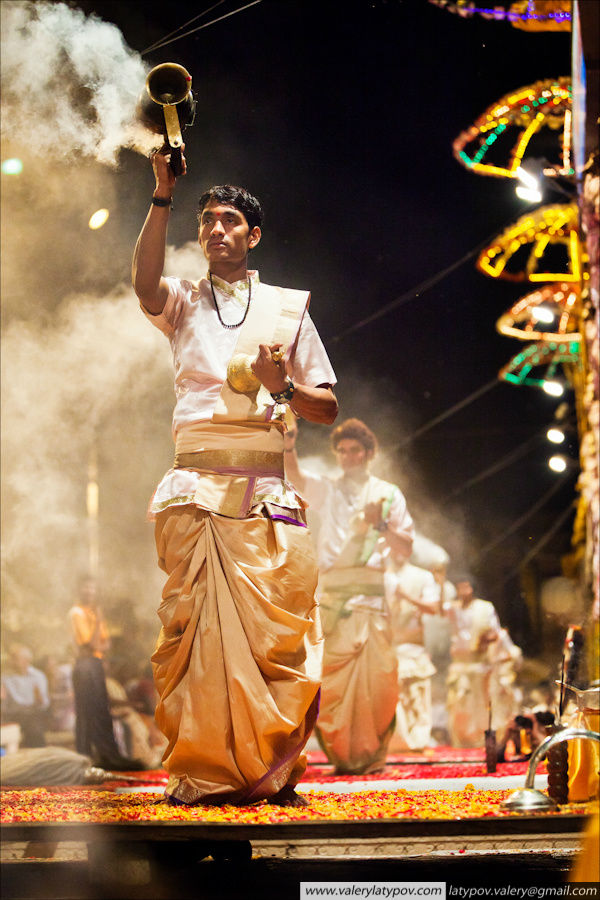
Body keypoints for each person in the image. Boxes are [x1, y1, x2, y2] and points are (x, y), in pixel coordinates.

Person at [132, 144, 337, 806]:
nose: (216, 230)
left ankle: (271, 767)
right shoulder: (183, 300)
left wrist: (283, 387)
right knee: (199, 638)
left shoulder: (287, 309)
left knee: (272, 636)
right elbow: (142, 285)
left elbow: (327, 407)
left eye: (229, 221)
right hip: (195, 486)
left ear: (253, 235)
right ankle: (203, 769)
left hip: (264, 488)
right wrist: (162, 193)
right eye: (207, 221)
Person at [284, 418, 414, 773]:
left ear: (369, 453)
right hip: (335, 599)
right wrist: (290, 444)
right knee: (334, 683)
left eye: (355, 450)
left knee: (380, 682)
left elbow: (405, 548)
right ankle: (342, 755)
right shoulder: (327, 489)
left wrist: (381, 526)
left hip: (372, 600)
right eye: (341, 451)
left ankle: (371, 756)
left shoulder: (388, 495)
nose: (347, 457)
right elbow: (294, 479)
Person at [69, 577, 140, 769]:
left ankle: (106, 757)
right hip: (84, 667)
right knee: (86, 713)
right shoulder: (77, 613)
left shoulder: (94, 613)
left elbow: (106, 644)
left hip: (96, 663)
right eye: (86, 588)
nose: (90, 592)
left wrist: (98, 637)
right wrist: (98, 623)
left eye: (93, 589)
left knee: (101, 712)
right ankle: (85, 757)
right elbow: (92, 644)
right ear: (80, 590)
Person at [383, 557, 440, 751]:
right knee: (393, 700)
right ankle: (397, 742)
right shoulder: (380, 574)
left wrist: (405, 596)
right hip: (388, 647)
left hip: (414, 650)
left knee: (417, 698)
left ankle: (418, 741)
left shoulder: (421, 577)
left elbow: (433, 608)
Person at [445, 575, 501, 747]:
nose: (463, 591)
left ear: (472, 589)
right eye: (459, 588)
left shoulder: (485, 608)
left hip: (479, 663)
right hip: (459, 664)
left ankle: (480, 737)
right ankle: (461, 739)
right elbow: (438, 612)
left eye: (466, 587)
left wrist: (482, 642)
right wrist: (440, 583)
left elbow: (495, 632)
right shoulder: (452, 608)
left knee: (479, 702)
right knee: (459, 701)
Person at [1, 645, 50, 747]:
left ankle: (38, 758)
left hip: (32, 715)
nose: (11, 661)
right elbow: (4, 705)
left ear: (26, 660)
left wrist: (39, 701)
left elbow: (44, 704)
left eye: (15, 658)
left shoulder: (38, 676)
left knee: (35, 730)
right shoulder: (5, 678)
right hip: (11, 716)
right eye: (12, 658)